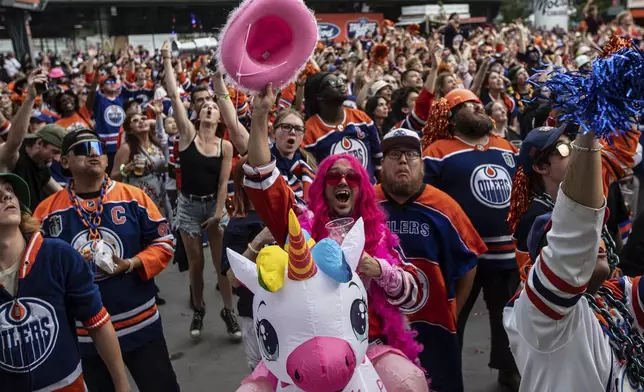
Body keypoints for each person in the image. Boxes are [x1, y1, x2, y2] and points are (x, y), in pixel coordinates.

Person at [240, 83, 427, 391]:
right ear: (322, 188)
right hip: (303, 347)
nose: (343, 180)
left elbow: (415, 294)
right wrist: (260, 116)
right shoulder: (302, 225)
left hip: (366, 344)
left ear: (361, 189)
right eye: (333, 176)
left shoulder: (376, 233)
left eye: (351, 177)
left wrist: (379, 269)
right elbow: (263, 179)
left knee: (409, 382)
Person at [33, 129, 180, 392]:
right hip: (85, 335)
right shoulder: (46, 212)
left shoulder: (134, 197)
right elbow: (36, 270)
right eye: (82, 148)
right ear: (64, 162)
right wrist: (69, 267)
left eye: (98, 147)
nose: (92, 152)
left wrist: (131, 263)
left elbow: (164, 242)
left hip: (141, 324)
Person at [502, 129, 637, 391]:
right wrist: (588, 131)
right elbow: (571, 248)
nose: (595, 243)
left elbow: (617, 157)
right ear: (541, 166)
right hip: (555, 311)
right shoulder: (534, 216)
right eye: (565, 150)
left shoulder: (615, 297)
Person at [422, 88, 520, 391]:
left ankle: (509, 368)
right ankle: (448, 379)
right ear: (452, 117)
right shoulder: (437, 150)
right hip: (462, 255)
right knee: (454, 320)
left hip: (507, 253)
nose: (479, 109)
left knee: (509, 319)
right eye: (468, 106)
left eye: (479, 104)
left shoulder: (506, 146)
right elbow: (426, 201)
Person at [376, 128, 487, 391]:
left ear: (421, 163)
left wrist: (453, 310)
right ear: (382, 163)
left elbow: (469, 263)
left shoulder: (444, 206)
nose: (403, 160)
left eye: (411, 154)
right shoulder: (367, 202)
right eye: (394, 153)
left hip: (434, 330)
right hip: (379, 330)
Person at [0, 172, 131, 392]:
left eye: (9, 190)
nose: (6, 196)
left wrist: (122, 384)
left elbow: (98, 324)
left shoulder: (58, 255)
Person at [162, 42, 241, 340]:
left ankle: (228, 311)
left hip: (214, 206)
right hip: (188, 207)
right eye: (204, 105)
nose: (209, 107)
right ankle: (199, 307)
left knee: (221, 263)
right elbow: (172, 92)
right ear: (197, 114)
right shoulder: (187, 135)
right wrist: (168, 58)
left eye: (213, 106)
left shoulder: (226, 145)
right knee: (196, 263)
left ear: (220, 117)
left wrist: (219, 212)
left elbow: (224, 183)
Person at [507, 124, 639, 281]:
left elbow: (620, 152)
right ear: (542, 167)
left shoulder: (586, 192)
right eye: (564, 149)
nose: (575, 151)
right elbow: (555, 282)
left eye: (572, 143)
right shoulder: (535, 219)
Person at [0, 68, 66, 211]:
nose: (56, 159)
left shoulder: (41, 166)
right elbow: (14, 140)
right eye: (54, 151)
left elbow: (62, 195)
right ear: (39, 143)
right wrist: (30, 98)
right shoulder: (14, 157)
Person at [303, 71, 383, 183]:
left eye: (340, 81)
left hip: (369, 195)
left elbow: (379, 162)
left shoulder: (362, 118)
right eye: (332, 83)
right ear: (319, 96)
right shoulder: (308, 131)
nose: (340, 84)